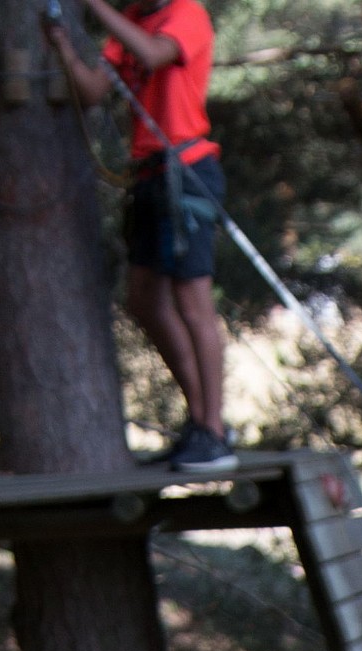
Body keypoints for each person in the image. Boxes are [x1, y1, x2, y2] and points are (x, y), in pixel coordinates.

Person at [43, 0, 236, 476]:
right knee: (145, 298)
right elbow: (91, 91)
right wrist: (63, 44)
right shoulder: (131, 21)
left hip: (188, 170)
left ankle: (214, 431)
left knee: (193, 301)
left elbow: (151, 55)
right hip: (150, 175)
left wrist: (96, 9)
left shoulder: (185, 13)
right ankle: (199, 422)